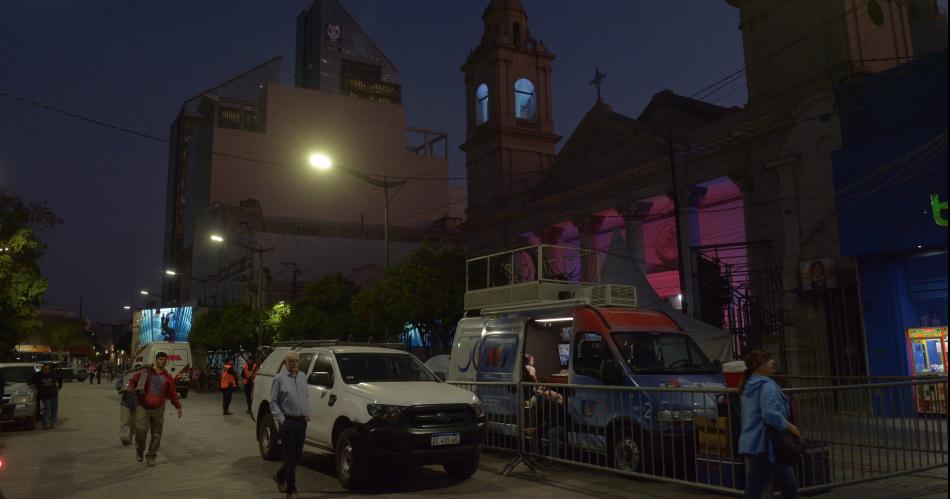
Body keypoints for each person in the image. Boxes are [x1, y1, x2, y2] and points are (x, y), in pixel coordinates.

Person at [738, 351, 802, 499]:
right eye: (767, 360)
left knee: (789, 487)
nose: (772, 362)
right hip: (767, 445)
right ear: (758, 366)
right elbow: (770, 414)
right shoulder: (767, 386)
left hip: (760, 444)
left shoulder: (748, 385)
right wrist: (789, 426)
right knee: (755, 491)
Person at [128, 352, 182, 467]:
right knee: (140, 431)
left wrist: (178, 406)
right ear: (156, 360)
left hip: (158, 409)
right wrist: (132, 389)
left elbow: (172, 394)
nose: (163, 361)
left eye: (164, 359)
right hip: (143, 406)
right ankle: (139, 450)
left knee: (156, 434)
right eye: (160, 359)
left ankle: (151, 456)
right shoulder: (146, 372)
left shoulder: (167, 377)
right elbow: (133, 381)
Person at [270, 351, 310, 499]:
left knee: (298, 456)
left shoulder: (303, 377)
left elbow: (305, 397)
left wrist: (306, 412)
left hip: (301, 422)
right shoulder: (279, 378)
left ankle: (280, 475)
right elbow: (273, 402)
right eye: (290, 361)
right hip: (288, 422)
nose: (293, 363)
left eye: (296, 361)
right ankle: (291, 490)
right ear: (285, 362)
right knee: (289, 456)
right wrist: (282, 420)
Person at [115, 362, 145, 446]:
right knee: (125, 421)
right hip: (126, 401)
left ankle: (130, 438)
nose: (138, 369)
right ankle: (124, 437)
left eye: (140, 368)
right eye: (136, 367)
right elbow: (118, 385)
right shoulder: (127, 375)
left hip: (138, 403)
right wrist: (121, 387)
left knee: (133, 423)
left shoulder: (145, 377)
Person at [30, 363, 63, 430]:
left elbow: (60, 379)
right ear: (42, 369)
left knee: (54, 409)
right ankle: (46, 424)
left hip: (53, 394)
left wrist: (59, 387)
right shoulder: (38, 375)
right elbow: (30, 382)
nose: (46, 370)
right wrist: (33, 386)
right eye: (45, 368)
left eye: (48, 368)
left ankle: (53, 423)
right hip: (44, 395)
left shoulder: (53, 374)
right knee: (47, 409)